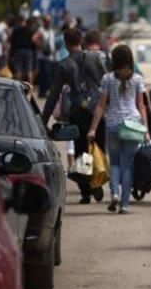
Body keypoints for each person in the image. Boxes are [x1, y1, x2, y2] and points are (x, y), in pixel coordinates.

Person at [43, 28, 107, 204]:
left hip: (78, 111)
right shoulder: (95, 58)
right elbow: (106, 81)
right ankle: (96, 181)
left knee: (81, 151)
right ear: (82, 41)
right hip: (97, 110)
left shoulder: (64, 65)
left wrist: (44, 118)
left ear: (65, 42)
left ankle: (85, 191)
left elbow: (54, 95)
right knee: (98, 148)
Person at [87, 45, 149, 214]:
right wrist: (146, 130)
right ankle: (124, 204)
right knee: (127, 165)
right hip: (133, 125)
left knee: (114, 163)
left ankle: (114, 193)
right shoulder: (137, 79)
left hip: (113, 124)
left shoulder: (107, 79)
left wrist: (92, 129)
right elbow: (141, 106)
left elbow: (101, 105)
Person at [9, 15, 39, 84]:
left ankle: (18, 87)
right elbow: (33, 40)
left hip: (18, 50)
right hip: (29, 51)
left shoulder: (15, 29)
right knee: (29, 70)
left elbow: (10, 40)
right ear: (24, 21)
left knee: (18, 69)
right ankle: (30, 88)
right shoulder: (30, 29)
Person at [36, 15, 57, 97]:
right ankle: (43, 92)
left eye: (49, 21)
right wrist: (42, 47)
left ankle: (43, 92)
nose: (48, 23)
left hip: (50, 56)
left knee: (48, 75)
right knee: (45, 75)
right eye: (47, 21)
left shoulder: (51, 31)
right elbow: (34, 39)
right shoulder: (41, 30)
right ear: (44, 22)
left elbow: (53, 43)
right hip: (43, 56)